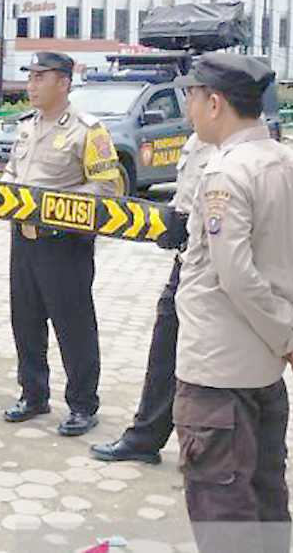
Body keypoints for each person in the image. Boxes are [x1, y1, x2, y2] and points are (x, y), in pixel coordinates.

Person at [172, 52, 293, 553]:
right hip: (264, 372)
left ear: (215, 103)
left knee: (224, 513)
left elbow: (235, 275)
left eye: (193, 99)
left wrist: (291, 335)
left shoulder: (225, 173)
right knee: (267, 497)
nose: (189, 111)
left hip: (217, 377)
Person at [0, 51, 122, 436]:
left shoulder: (88, 131)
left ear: (64, 82)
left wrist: (52, 205)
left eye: (40, 77)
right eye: (30, 77)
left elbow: (106, 187)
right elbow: (10, 173)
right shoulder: (25, 127)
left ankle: (83, 405)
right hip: (23, 240)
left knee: (74, 326)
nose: (31, 85)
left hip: (64, 244)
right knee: (26, 320)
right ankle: (33, 394)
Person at [89, 134, 214, 464]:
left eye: (194, 94)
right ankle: (146, 436)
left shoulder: (238, 156)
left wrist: (187, 226)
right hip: (188, 263)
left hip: (214, 273)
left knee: (210, 365)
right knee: (166, 350)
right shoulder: (201, 139)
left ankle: (220, 451)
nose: (187, 101)